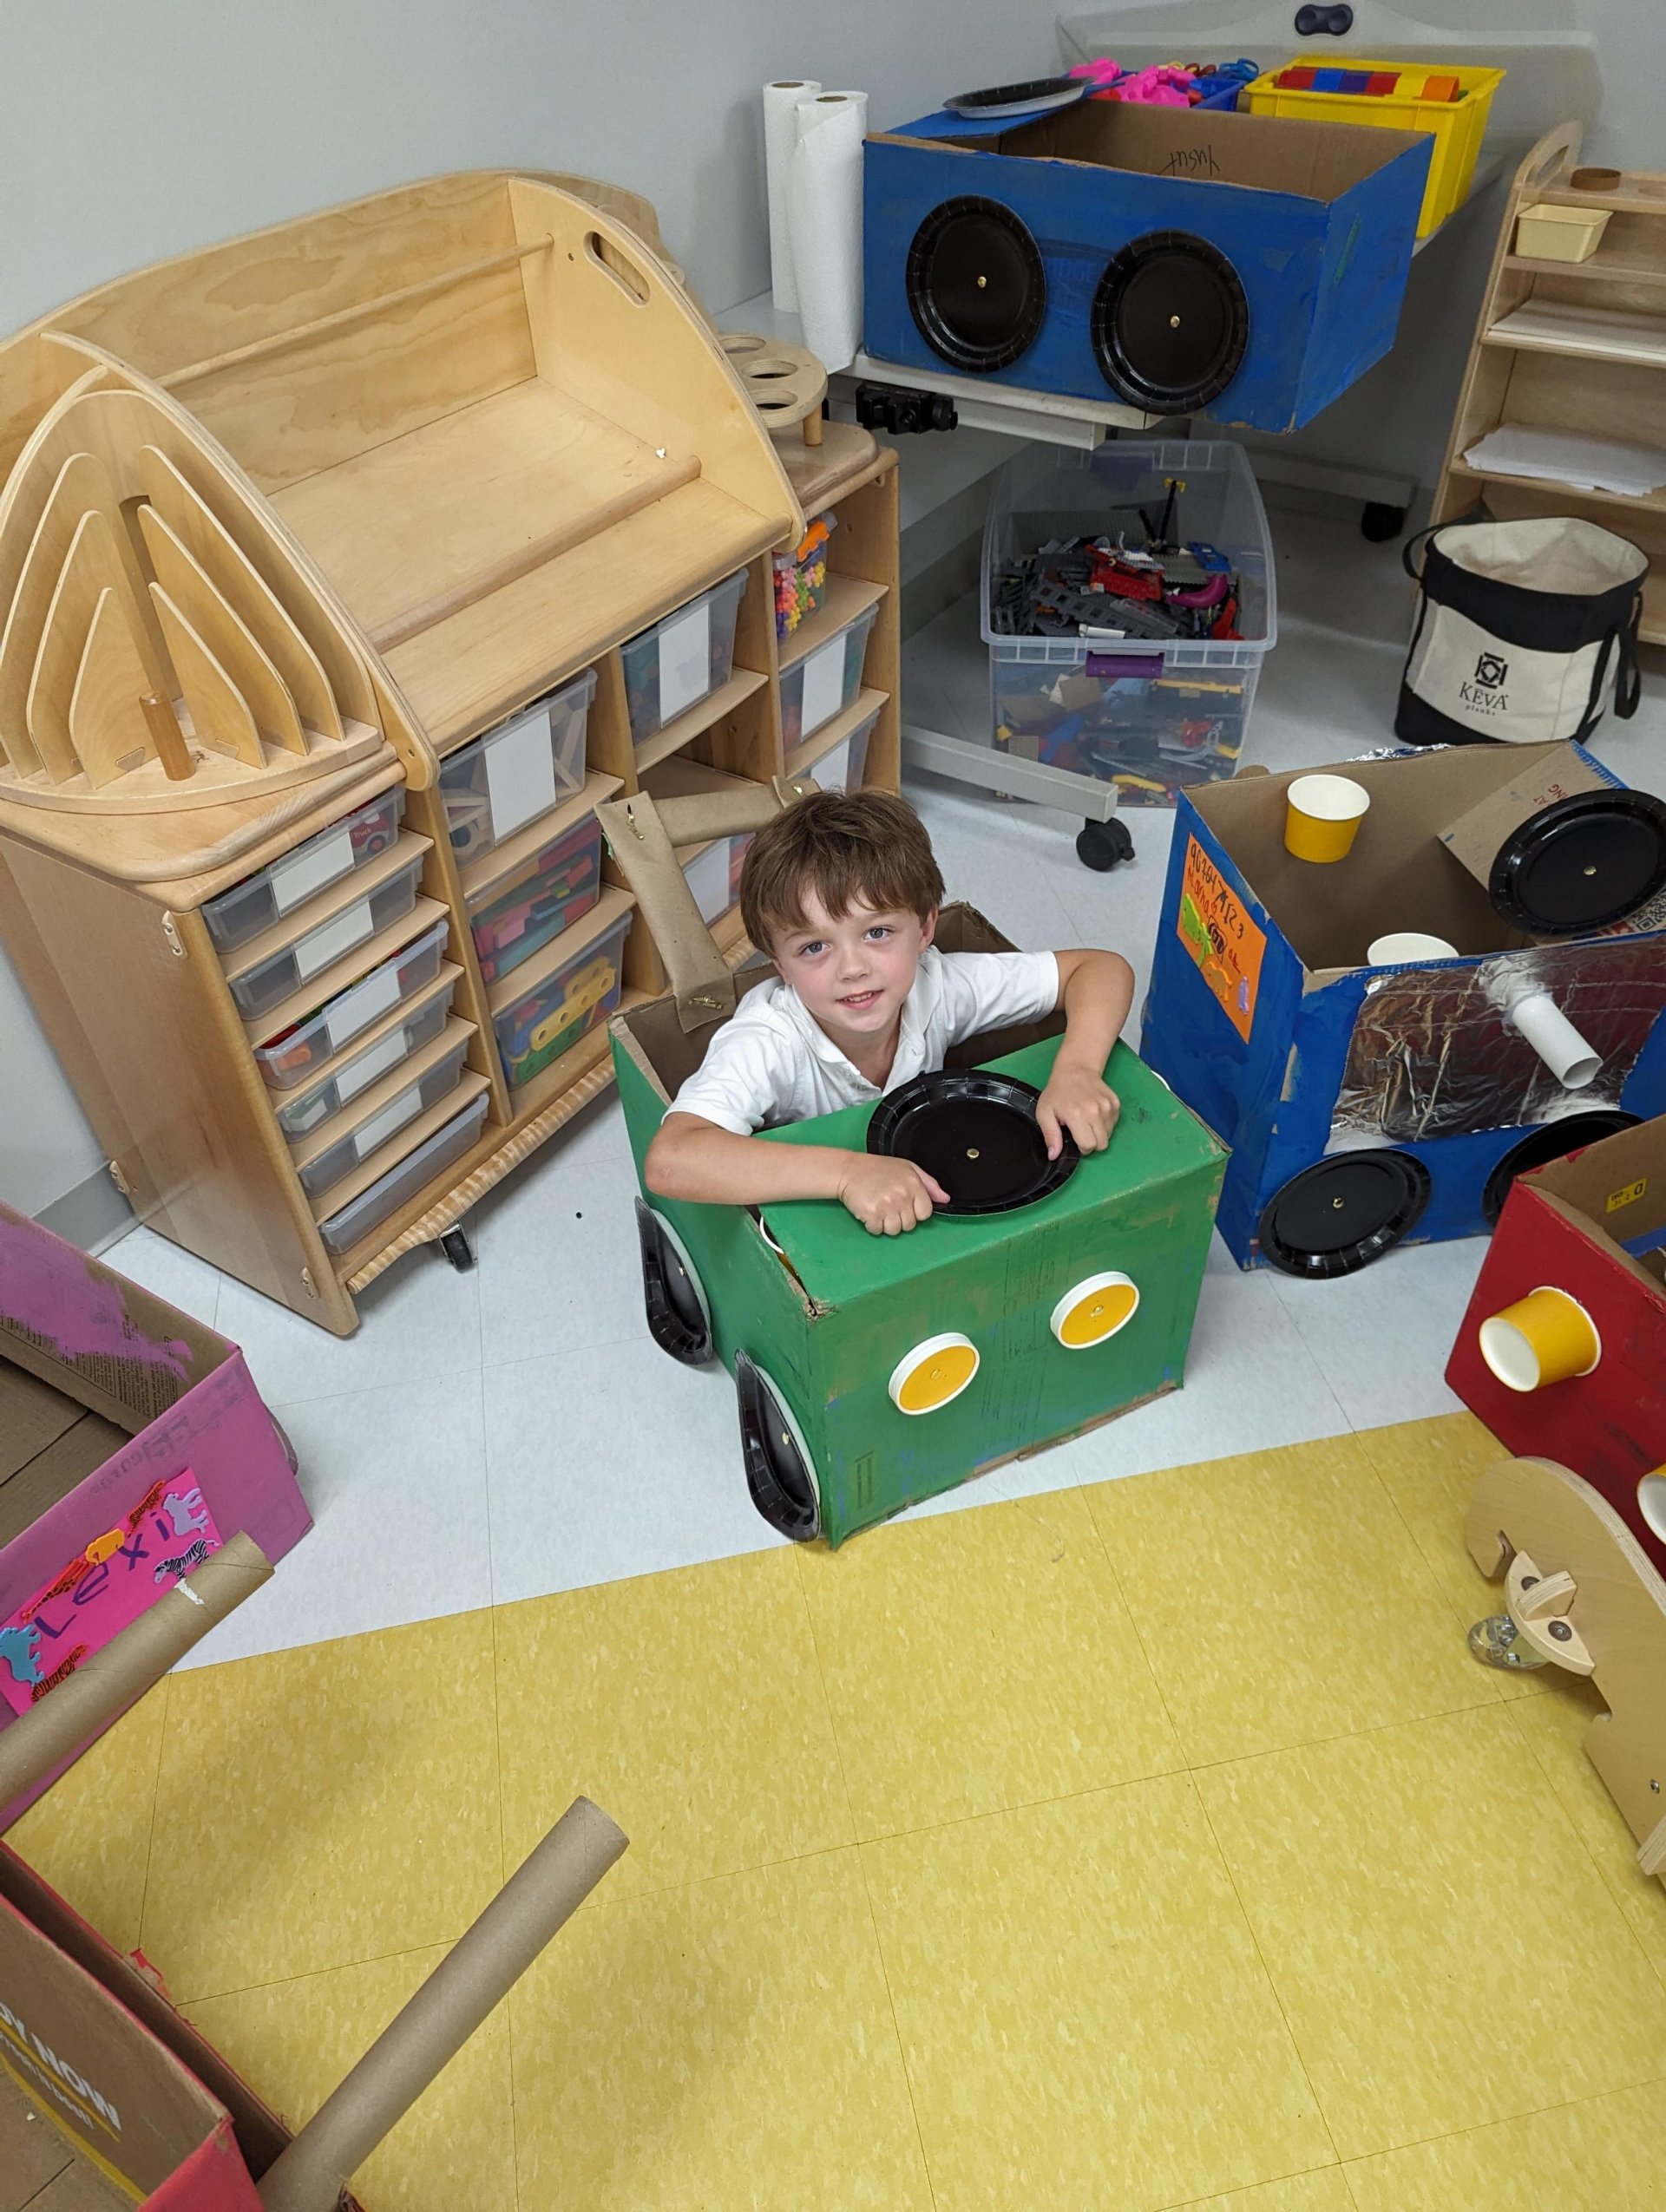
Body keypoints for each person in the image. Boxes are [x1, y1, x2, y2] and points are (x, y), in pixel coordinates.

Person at [645, 790, 1135, 1236]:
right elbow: (671, 1160)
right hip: (823, 1225)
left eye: (877, 933)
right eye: (814, 946)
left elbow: (1099, 969)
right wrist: (846, 1174)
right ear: (781, 967)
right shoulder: (767, 1038)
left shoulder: (937, 986)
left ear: (924, 930)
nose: (852, 969)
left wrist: (1077, 1070)